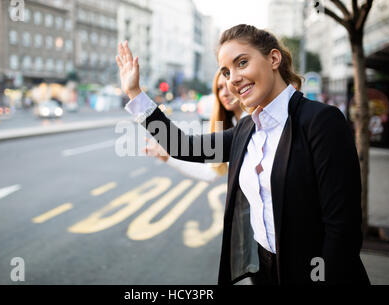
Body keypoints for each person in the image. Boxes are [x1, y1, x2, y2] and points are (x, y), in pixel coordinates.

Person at [116, 24, 370, 285]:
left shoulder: (321, 121)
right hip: (265, 272)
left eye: (242, 63)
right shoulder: (246, 129)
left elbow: (343, 230)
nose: (233, 78)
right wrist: (135, 93)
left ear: (273, 58)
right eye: (226, 71)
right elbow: (181, 144)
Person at [144, 70, 248, 183]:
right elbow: (211, 173)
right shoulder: (231, 126)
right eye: (219, 88)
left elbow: (182, 145)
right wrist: (167, 158)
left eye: (228, 86)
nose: (224, 93)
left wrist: (135, 94)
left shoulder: (253, 124)